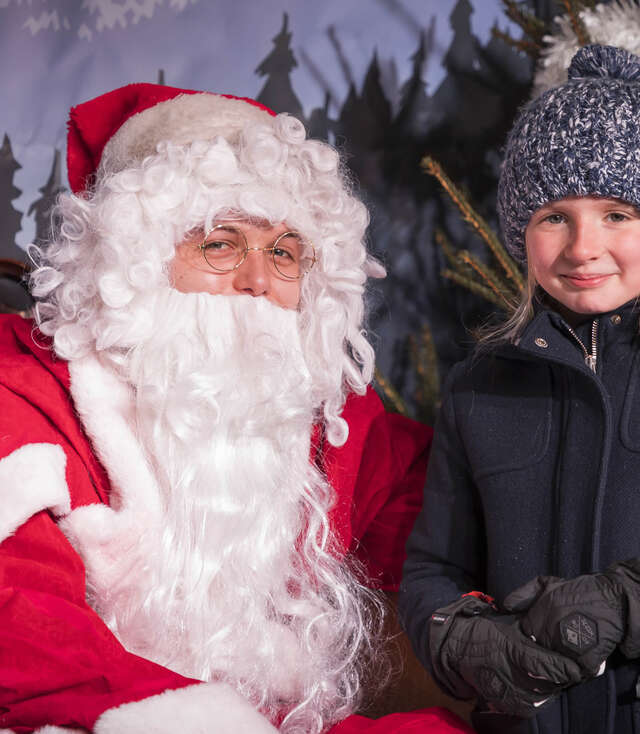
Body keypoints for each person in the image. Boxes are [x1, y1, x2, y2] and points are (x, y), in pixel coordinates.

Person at [0, 83, 472, 734]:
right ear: (132, 264)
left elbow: (456, 521)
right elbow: (21, 630)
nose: (258, 281)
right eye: (220, 244)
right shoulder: (25, 400)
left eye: (282, 252)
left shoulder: (329, 431)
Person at [399, 43, 640, 734]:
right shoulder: (481, 387)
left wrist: (624, 602)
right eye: (553, 217)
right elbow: (432, 567)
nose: (583, 247)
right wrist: (462, 641)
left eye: (617, 214)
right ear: (522, 233)